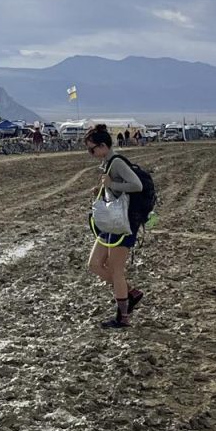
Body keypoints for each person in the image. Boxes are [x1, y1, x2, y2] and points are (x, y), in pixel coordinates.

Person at [85, 124, 145, 329]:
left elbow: (137, 185)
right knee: (94, 264)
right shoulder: (108, 163)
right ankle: (130, 293)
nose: (90, 153)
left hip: (122, 223)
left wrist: (111, 185)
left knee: (115, 269)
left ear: (103, 146)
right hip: (110, 222)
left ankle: (123, 317)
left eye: (92, 149)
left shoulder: (117, 162)